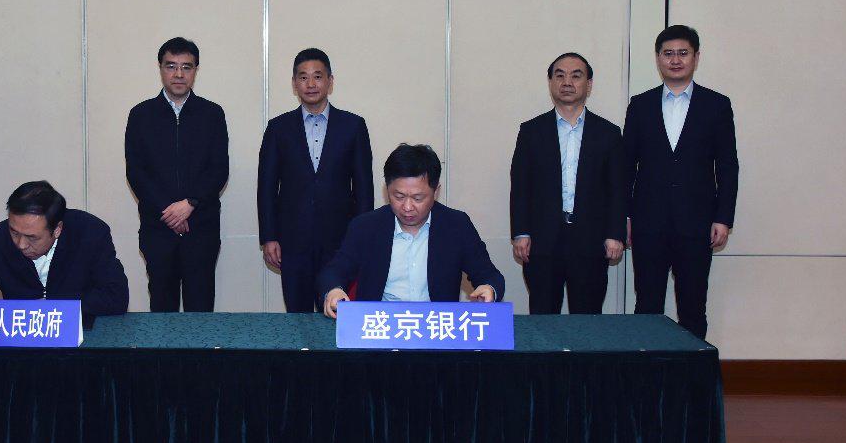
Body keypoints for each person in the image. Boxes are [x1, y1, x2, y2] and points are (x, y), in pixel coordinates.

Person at [624, 25, 738, 339]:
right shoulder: (640, 105)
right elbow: (626, 166)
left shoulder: (717, 105)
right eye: (668, 53)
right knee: (647, 306)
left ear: (696, 57)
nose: (675, 60)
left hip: (698, 224)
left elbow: (727, 166)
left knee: (693, 307)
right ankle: (647, 370)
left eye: (683, 53)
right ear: (658, 58)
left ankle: (691, 371)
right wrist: (626, 216)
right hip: (648, 224)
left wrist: (723, 218)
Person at [318, 144, 504, 317]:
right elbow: (334, 271)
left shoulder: (456, 225)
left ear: (436, 191)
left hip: (436, 326)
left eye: (418, 198)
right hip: (380, 324)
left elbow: (490, 275)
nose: (407, 207)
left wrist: (488, 288)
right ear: (387, 189)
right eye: (399, 196)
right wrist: (333, 290)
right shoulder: (366, 227)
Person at [509, 52, 626, 314]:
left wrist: (615, 234)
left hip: (591, 240)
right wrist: (521, 232)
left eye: (576, 76)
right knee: (543, 316)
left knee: (587, 320)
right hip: (542, 241)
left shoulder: (608, 133)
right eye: (559, 75)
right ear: (551, 82)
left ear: (589, 84)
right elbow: (520, 186)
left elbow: (617, 189)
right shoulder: (531, 131)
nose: (567, 82)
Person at [258, 48, 373, 312]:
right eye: (303, 77)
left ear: (330, 81)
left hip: (340, 242)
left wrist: (363, 238)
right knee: (297, 315)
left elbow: (364, 189)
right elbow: (266, 187)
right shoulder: (278, 128)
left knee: (337, 313)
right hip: (292, 241)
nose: (311, 84)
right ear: (294, 83)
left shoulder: (353, 126)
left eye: (318, 76)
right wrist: (269, 237)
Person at [124, 37, 229, 312]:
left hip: (201, 227)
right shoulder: (140, 115)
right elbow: (136, 172)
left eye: (186, 67)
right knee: (162, 306)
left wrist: (190, 204)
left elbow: (219, 169)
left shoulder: (212, 114)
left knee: (200, 307)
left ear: (196, 70)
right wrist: (170, 212)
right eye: (171, 66)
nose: (179, 74)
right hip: (158, 228)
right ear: (160, 68)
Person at [0, 181, 128, 322]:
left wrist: (51, 307)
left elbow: (116, 296)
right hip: (20, 345)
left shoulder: (89, 233)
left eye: (32, 237)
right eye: (14, 232)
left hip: (80, 337)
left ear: (57, 230)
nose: (21, 244)